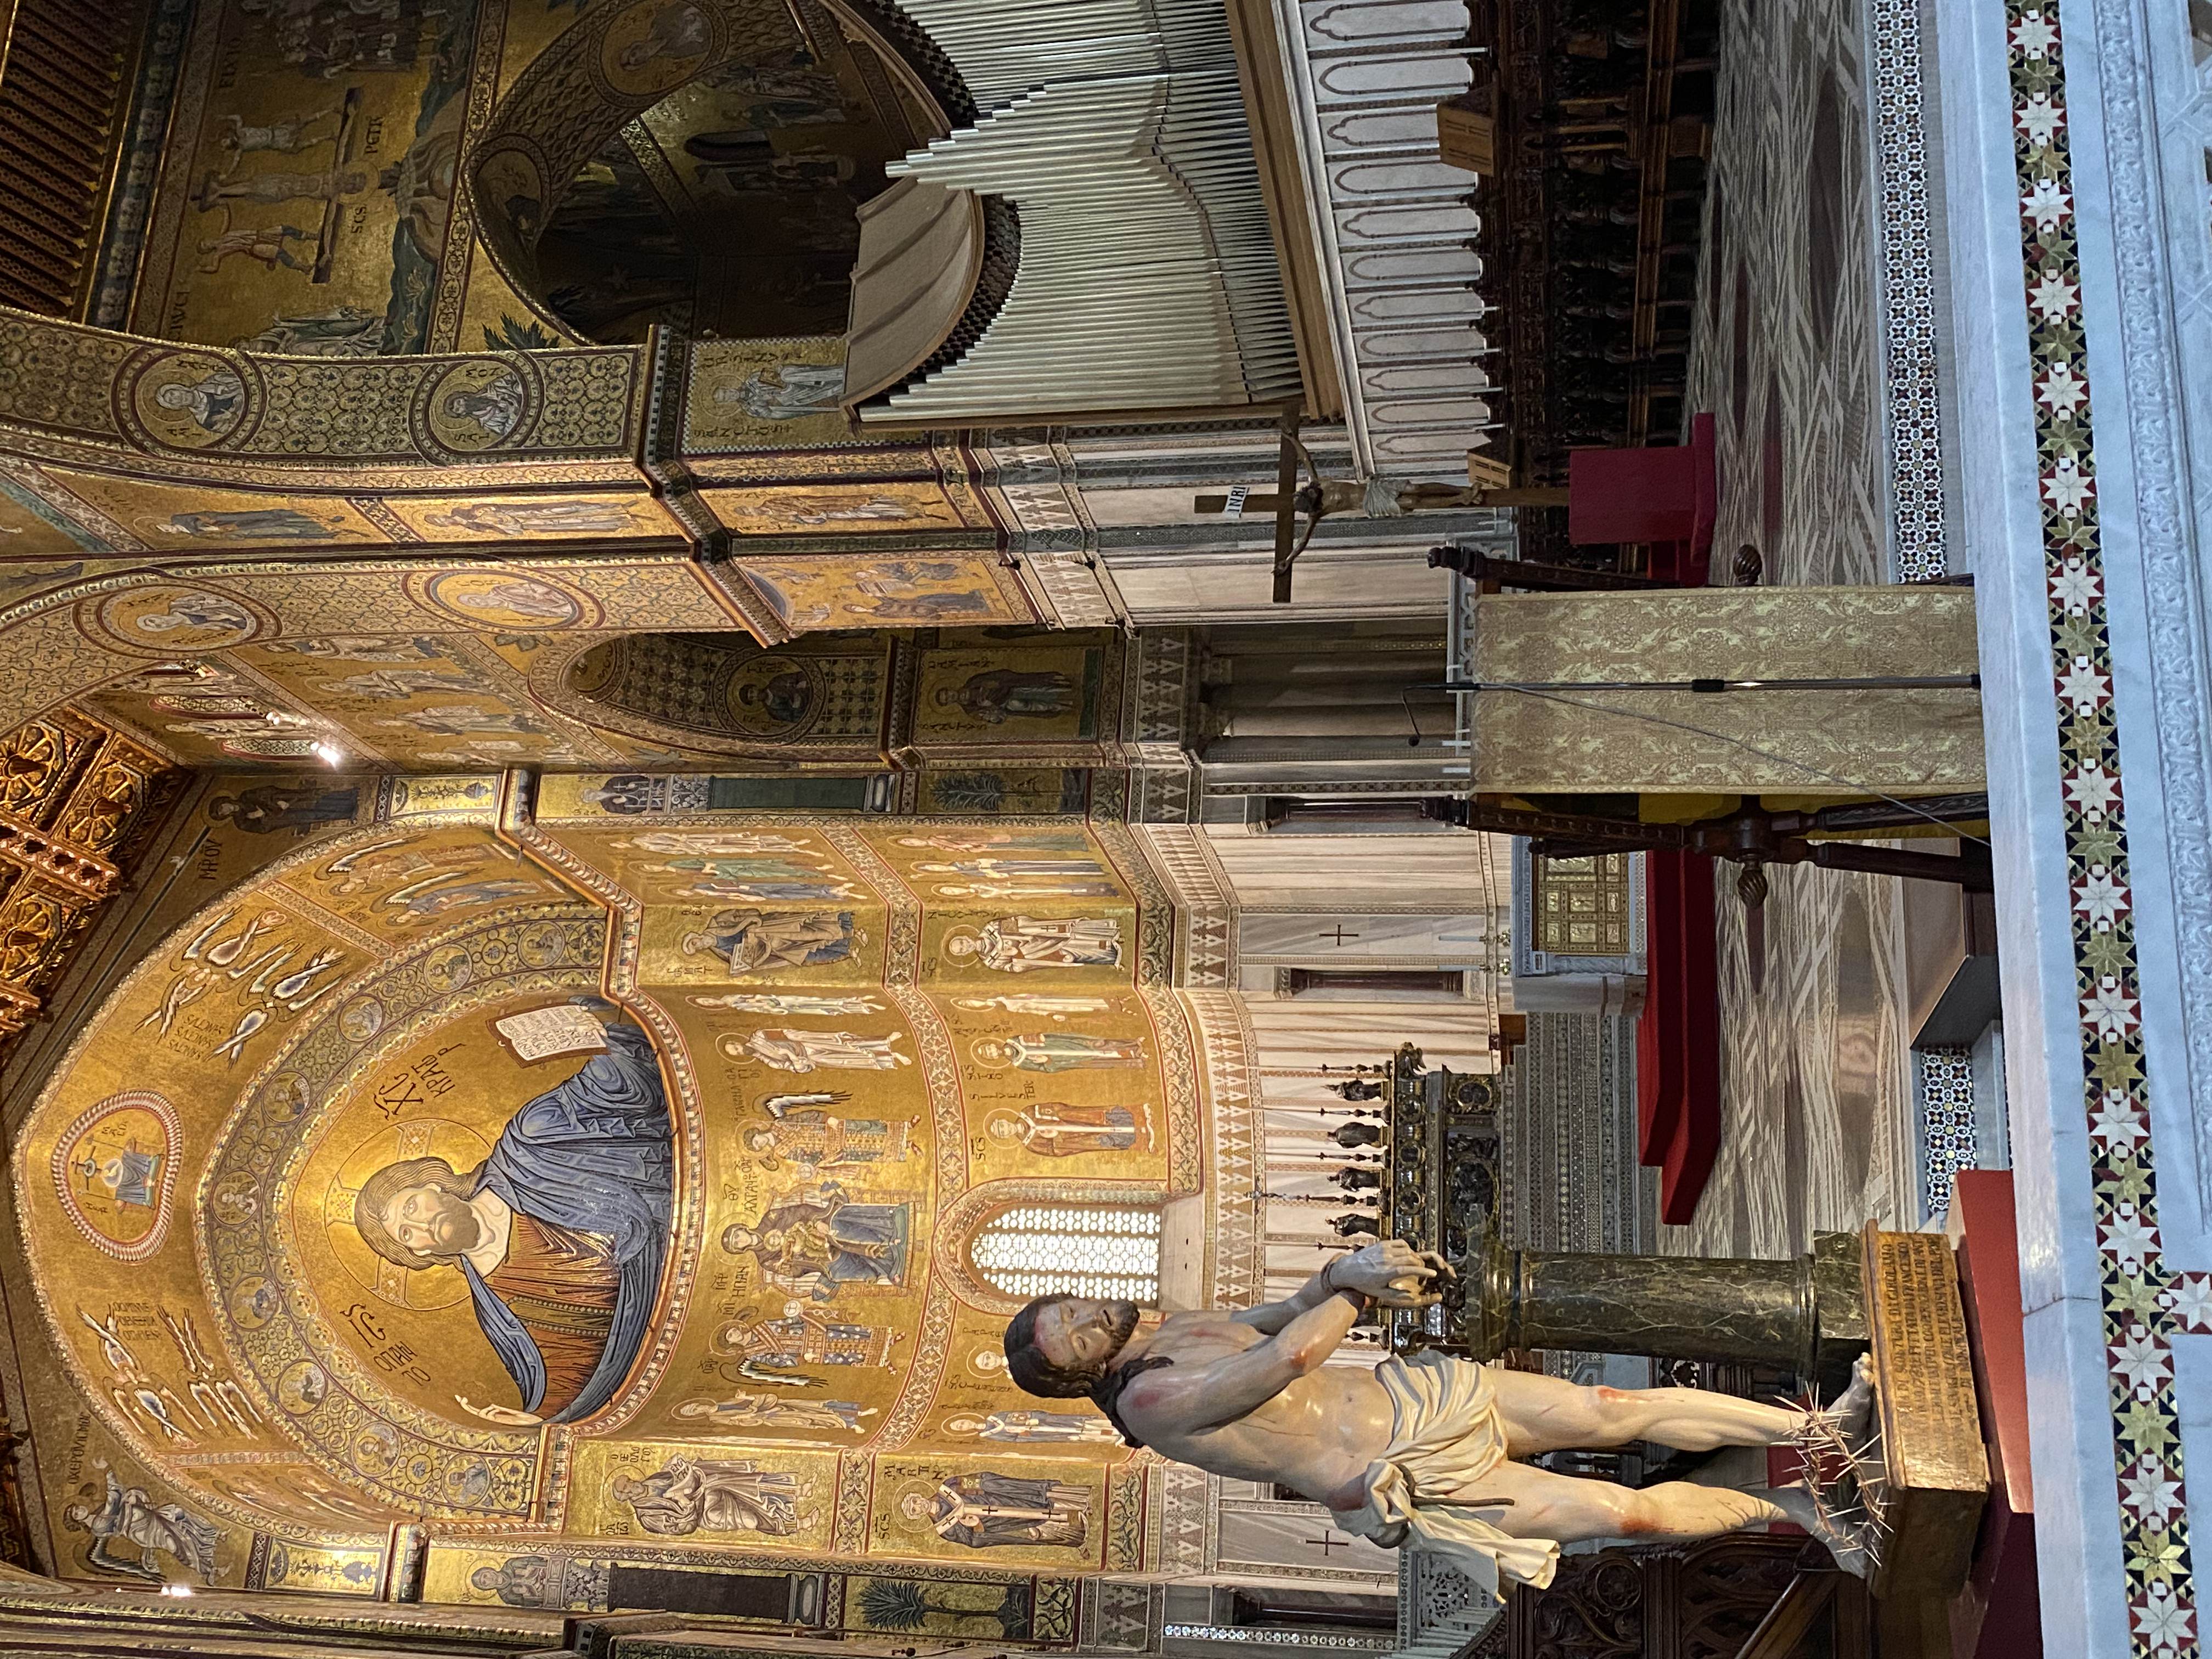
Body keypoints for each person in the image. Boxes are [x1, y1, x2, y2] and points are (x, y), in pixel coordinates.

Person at [999, 1240, 1874, 1593]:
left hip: (1415, 1398)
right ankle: (1796, 1513)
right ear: (1080, 1377)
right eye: (1072, 1342)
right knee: (1621, 1515)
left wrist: (1343, 1269)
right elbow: (1287, 1359)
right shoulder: (1149, 1405)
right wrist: (1353, 1287)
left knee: (1613, 1409)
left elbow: (1284, 1314)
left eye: (1070, 1309)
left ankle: (1817, 1431)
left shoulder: (1178, 1325)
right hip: (1404, 1479)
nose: (1084, 1322)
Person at [352, 1024, 672, 1424]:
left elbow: (622, 1084)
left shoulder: (530, 1143)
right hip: (680, 1319)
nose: (421, 1226)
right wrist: (546, 1418)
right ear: (418, 1251)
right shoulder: (496, 1311)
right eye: (405, 1233)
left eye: (412, 1206)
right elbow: (574, 1370)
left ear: (436, 1185)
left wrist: (597, 1028)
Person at [902, 1472, 1091, 1548]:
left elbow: (979, 1480)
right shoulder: (945, 1529)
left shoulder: (949, 1486)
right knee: (1033, 1521)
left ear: (919, 1496)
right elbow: (973, 1541)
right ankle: (1077, 1525)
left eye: (916, 1502)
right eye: (915, 1510)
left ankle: (1079, 1504)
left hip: (1001, 1496)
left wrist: (983, 1487)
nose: (919, 1506)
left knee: (1034, 1502)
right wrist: (976, 1525)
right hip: (1000, 1522)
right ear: (918, 1516)